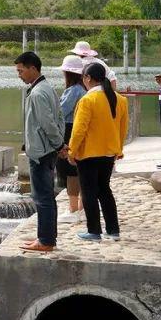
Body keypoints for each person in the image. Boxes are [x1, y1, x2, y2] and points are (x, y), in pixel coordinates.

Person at [68, 62, 127, 241]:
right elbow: (123, 128)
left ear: (87, 78)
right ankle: (113, 230)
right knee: (104, 191)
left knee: (89, 192)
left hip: (89, 154)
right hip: (109, 153)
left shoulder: (87, 100)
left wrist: (72, 151)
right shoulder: (120, 99)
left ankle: (94, 231)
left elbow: (79, 130)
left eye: (83, 78)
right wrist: (119, 149)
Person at [14, 51, 65, 253]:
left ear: (33, 68)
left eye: (21, 70)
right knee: (46, 197)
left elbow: (48, 124)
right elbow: (59, 119)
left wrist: (59, 145)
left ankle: (45, 241)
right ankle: (46, 238)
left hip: (42, 153)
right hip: (47, 150)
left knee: (42, 198)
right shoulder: (47, 89)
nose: (19, 75)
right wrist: (59, 144)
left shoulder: (37, 93)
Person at [56, 55, 88, 223]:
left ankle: (73, 209)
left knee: (71, 171)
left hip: (69, 130)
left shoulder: (74, 90)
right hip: (77, 130)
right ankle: (81, 209)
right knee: (78, 171)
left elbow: (61, 111)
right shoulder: (82, 88)